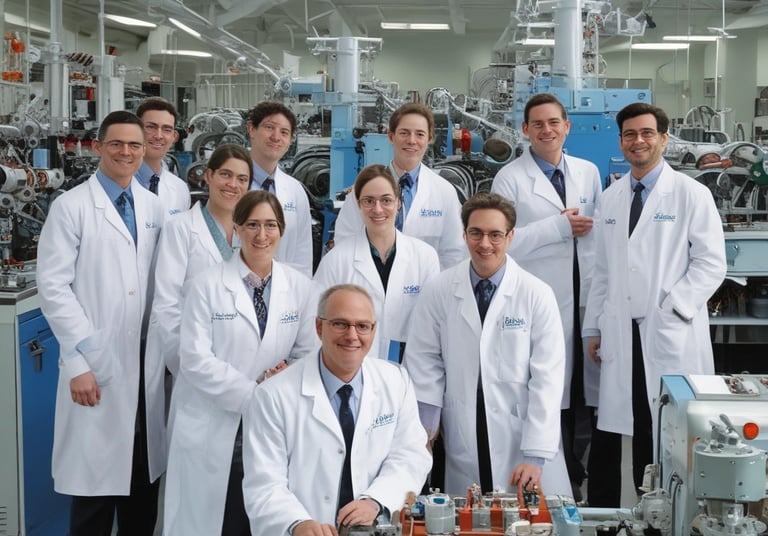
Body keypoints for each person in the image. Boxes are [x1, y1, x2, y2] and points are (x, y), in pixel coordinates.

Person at [582, 102, 726, 506]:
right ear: (621, 142)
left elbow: (711, 263)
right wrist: (593, 327)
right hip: (621, 331)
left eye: (647, 133)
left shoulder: (691, 194)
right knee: (629, 425)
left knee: (670, 428)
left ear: (664, 138)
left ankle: (672, 512)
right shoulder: (611, 198)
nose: (638, 141)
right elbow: (601, 271)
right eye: (630, 134)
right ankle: (637, 509)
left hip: (669, 331)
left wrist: (673, 309)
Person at [36, 110, 166, 535]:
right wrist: (78, 361)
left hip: (145, 365)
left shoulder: (153, 207)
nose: (126, 152)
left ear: (144, 150)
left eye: (134, 145)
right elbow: (54, 288)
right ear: (98, 147)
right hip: (94, 363)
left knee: (141, 492)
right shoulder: (71, 207)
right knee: (93, 499)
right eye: (116, 144)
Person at [163, 191, 317, 536]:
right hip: (214, 422)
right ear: (236, 229)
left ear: (281, 230)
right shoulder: (205, 285)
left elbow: (308, 352)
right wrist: (256, 394)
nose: (262, 235)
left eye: (270, 225)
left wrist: (283, 380)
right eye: (252, 225)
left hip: (275, 424)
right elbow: (195, 359)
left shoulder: (301, 287)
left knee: (263, 516)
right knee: (218, 520)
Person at [404, 192, 570, 497]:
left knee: (527, 518)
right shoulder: (439, 289)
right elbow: (423, 358)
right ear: (464, 234)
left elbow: (548, 377)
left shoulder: (536, 294)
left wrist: (536, 455)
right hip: (462, 425)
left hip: (520, 433)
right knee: (467, 514)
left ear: (510, 237)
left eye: (495, 234)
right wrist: (425, 428)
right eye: (476, 233)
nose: (485, 244)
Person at [242, 284, 431, 536]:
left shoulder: (396, 381)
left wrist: (376, 500)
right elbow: (265, 483)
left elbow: (411, 455)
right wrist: (297, 523)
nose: (352, 335)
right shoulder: (272, 395)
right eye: (340, 324)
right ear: (319, 327)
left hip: (376, 525)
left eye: (362, 326)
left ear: (373, 330)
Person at [491, 93, 602, 500]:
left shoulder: (588, 172)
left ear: (567, 127)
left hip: (585, 293)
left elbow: (600, 234)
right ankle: (556, 474)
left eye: (554, 122)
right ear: (525, 130)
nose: (546, 130)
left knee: (583, 392)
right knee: (547, 385)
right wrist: (557, 228)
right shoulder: (509, 179)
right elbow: (502, 243)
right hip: (537, 298)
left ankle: (578, 473)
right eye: (537, 124)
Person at [314, 164, 440, 363]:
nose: (378, 209)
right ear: (358, 205)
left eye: (386, 200)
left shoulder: (425, 257)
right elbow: (316, 328)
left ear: (399, 203)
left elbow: (433, 328)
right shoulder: (336, 261)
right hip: (353, 369)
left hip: (412, 370)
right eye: (369, 201)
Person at [146, 144, 253, 378]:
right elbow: (166, 303)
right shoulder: (181, 228)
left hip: (242, 356)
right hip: (192, 355)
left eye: (242, 179)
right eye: (225, 174)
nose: (233, 184)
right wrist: (186, 360)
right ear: (209, 175)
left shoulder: (252, 233)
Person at [333, 103, 465, 271]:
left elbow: (454, 252)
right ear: (391, 136)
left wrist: (433, 283)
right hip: (370, 281)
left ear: (430, 139)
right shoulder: (365, 187)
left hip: (425, 284)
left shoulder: (444, 192)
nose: (411, 140)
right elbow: (344, 240)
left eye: (420, 134)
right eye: (404, 133)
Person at [245, 101, 313, 276]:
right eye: (269, 127)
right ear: (251, 129)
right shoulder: (233, 186)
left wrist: (301, 289)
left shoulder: (295, 190)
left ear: (290, 141)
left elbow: (303, 253)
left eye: (284, 132)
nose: (276, 137)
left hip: (284, 287)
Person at [135, 97, 191, 216]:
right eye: (151, 127)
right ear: (135, 130)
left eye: (167, 129)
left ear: (174, 137)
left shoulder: (180, 189)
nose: (159, 136)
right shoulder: (116, 183)